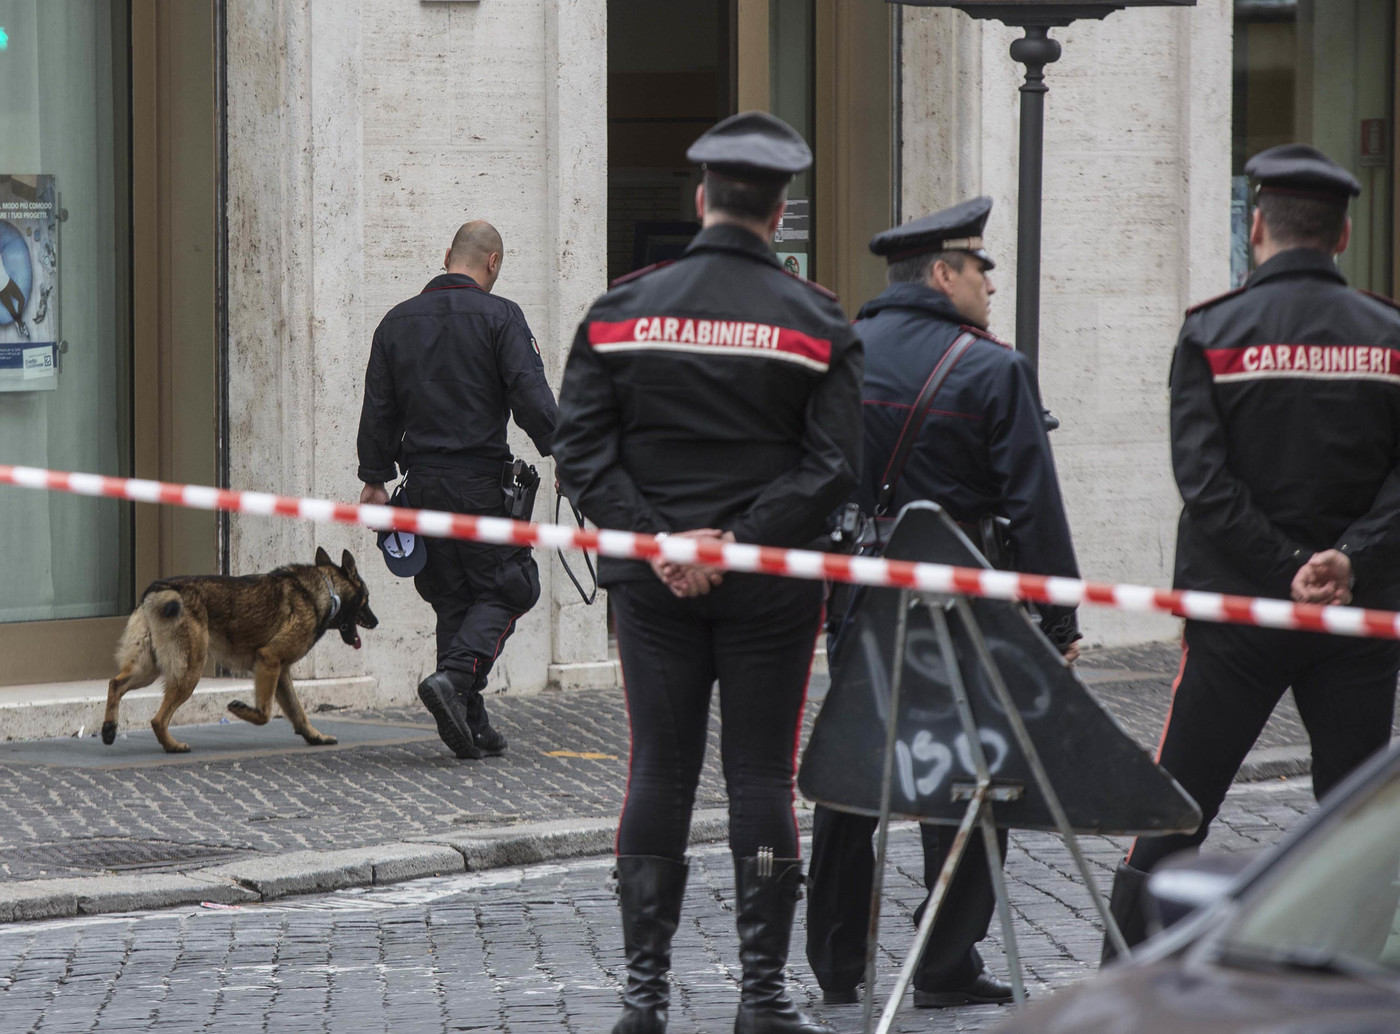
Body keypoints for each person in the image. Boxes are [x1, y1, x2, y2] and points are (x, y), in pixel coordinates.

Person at [553, 111, 862, 1034]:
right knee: (762, 776)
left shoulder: (618, 311)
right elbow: (834, 463)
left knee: (659, 770)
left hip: (653, 585)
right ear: (779, 208)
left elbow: (579, 451)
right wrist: (737, 539)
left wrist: (661, 542)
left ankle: (644, 1000)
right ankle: (762, 1000)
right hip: (768, 584)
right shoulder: (816, 321)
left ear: (701, 199)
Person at [1103, 144, 1400, 958]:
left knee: (1171, 809)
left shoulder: (1212, 330)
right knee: (1351, 824)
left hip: (1235, 616)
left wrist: (1282, 571)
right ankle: (1345, 990)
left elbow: (1202, 481)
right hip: (1360, 616)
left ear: (1257, 226)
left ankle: (1117, 991)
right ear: (1343, 235)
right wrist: (1347, 558)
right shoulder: (1391, 336)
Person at [805, 196, 1083, 1009]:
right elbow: (1035, 507)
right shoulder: (994, 368)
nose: (990, 289)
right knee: (973, 776)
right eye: (980, 271)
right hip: (962, 603)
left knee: (857, 764)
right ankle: (943, 961)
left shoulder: (842, 354)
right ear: (941, 274)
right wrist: (1058, 622)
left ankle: (834, 964)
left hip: (858, 592)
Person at [356, 220, 557, 760]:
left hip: (419, 486)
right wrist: (570, 454)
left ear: (447, 255)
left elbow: (378, 410)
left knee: (453, 597)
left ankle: (470, 719)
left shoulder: (396, 322)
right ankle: (455, 678)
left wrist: (374, 481)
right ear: (492, 262)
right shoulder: (501, 316)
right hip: (480, 487)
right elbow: (532, 400)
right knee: (513, 586)